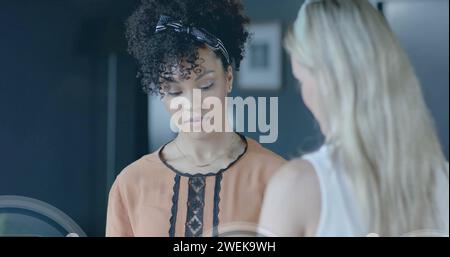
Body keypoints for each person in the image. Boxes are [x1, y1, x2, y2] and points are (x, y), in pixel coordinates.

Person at [259, 0, 449, 237]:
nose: (305, 97)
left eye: (301, 80)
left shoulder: (297, 187)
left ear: (328, 80)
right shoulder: (444, 180)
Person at [106, 0, 286, 237]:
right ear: (161, 93)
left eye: (206, 85)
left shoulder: (276, 178)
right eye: (175, 91)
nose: (193, 105)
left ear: (228, 78)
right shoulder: (131, 184)